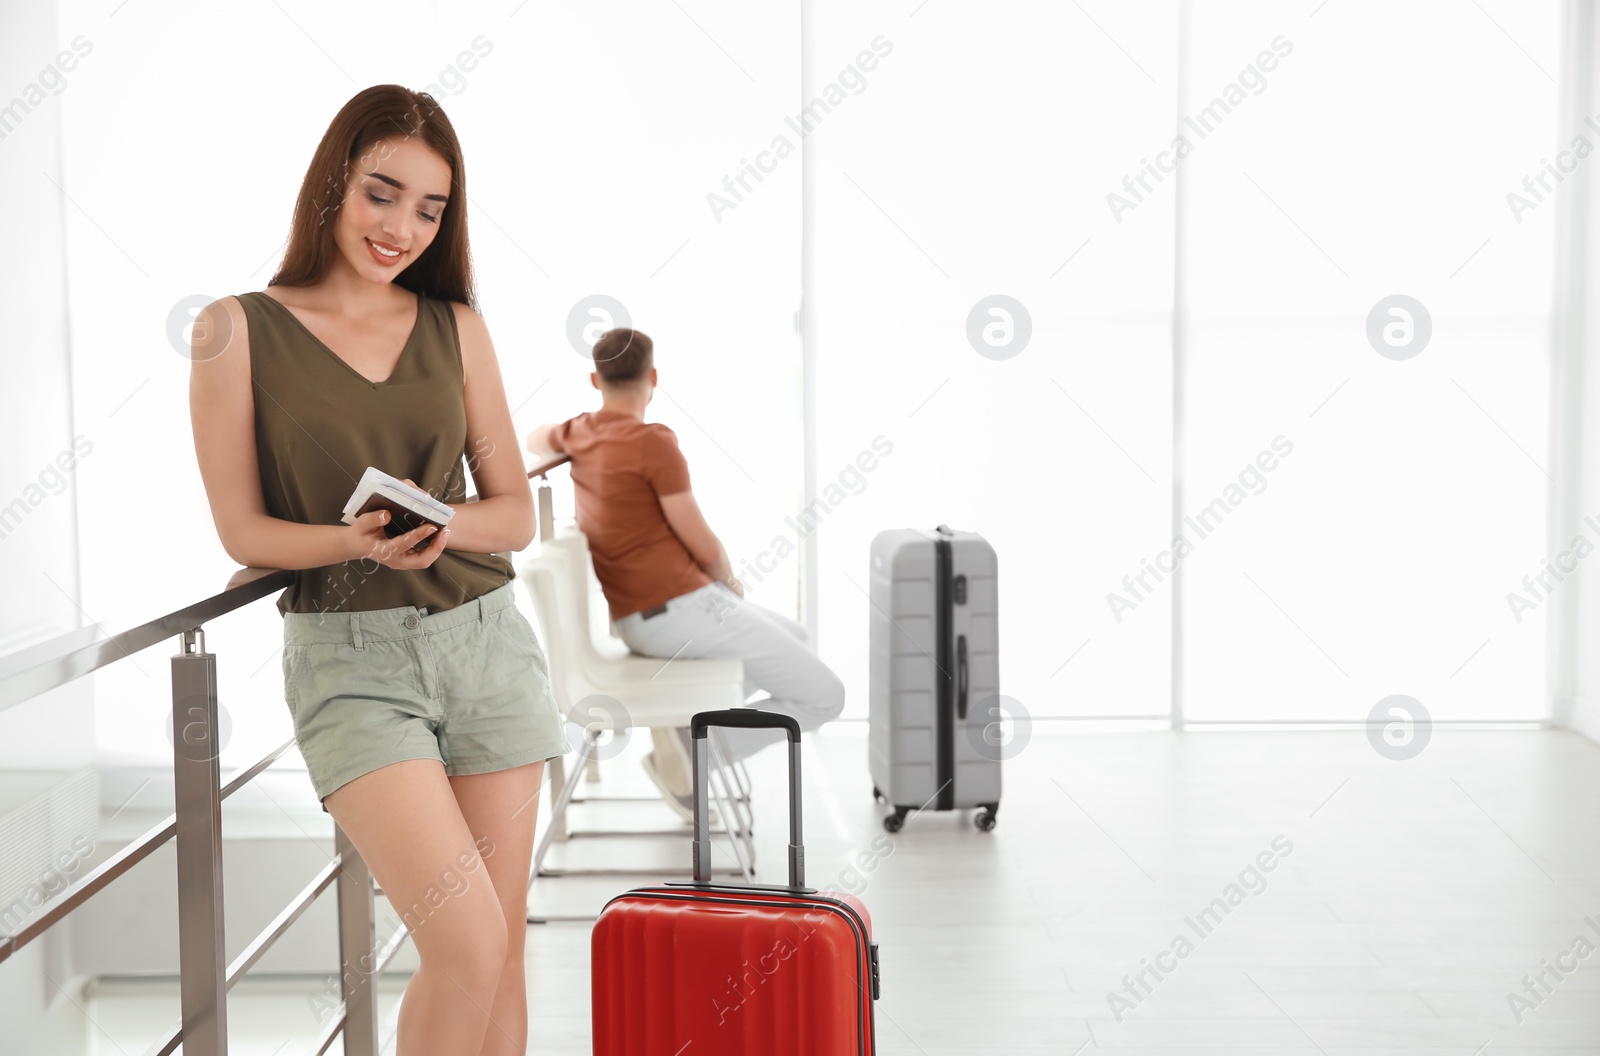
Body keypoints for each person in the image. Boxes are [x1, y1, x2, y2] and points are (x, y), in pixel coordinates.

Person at [187, 84, 568, 1056]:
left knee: (502, 955)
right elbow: (243, 530)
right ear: (333, 186)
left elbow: (515, 515)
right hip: (349, 663)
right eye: (381, 193)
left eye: (429, 208)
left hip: (485, 641)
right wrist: (355, 542)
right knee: (466, 946)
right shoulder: (235, 330)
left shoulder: (455, 326)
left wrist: (438, 527)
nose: (402, 226)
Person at [525, 328, 845, 820]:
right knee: (825, 696)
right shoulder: (654, 442)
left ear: (595, 379)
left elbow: (533, 436)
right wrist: (730, 583)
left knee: (796, 635)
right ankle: (691, 752)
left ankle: (686, 732)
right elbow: (703, 543)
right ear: (653, 378)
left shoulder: (581, 431)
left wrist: (572, 439)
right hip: (679, 611)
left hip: (648, 617)